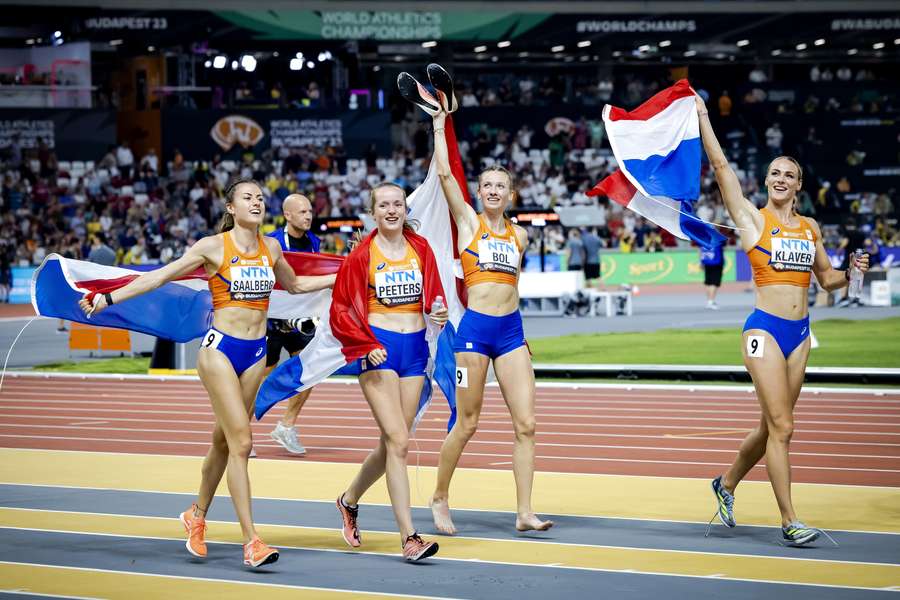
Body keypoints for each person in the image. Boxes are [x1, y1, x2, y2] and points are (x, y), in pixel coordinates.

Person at [79, 178, 336, 566]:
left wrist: (343, 275)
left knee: (223, 442)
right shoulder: (212, 246)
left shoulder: (271, 247)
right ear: (231, 208)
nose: (256, 202)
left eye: (260, 198)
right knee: (243, 443)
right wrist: (109, 297)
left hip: (255, 354)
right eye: (247, 198)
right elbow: (160, 276)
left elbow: (296, 285)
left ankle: (196, 516)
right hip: (219, 352)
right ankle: (252, 541)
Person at [696, 95, 869, 546]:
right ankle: (790, 520)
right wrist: (703, 117)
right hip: (764, 331)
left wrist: (853, 275)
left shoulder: (810, 227)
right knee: (784, 427)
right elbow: (721, 169)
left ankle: (726, 483)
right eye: (774, 173)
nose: (779, 179)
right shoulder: (752, 220)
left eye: (787, 175)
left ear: (798, 186)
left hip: (801, 333)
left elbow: (828, 279)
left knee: (773, 424)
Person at [427, 72, 552, 535]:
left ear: (511, 194)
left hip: (512, 332)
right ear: (480, 192)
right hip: (476, 331)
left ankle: (523, 512)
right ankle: (440, 496)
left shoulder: (519, 235)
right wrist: (441, 125)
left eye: (501, 186)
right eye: (487, 185)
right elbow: (444, 174)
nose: (494, 191)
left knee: (528, 423)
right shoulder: (467, 223)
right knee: (468, 422)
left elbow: (512, 288)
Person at [332, 182, 447, 561]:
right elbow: (341, 310)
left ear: (404, 209)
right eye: (384, 205)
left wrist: (438, 309)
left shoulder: (421, 248)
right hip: (378, 352)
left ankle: (348, 500)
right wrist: (365, 345)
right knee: (398, 441)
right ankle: (409, 537)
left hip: (414, 352)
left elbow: (434, 295)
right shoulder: (361, 256)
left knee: (392, 443)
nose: (392, 210)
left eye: (398, 203)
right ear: (374, 212)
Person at [264, 194, 321, 455]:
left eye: (310, 211)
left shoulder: (314, 241)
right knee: (256, 381)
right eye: (302, 212)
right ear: (287, 215)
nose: (308, 216)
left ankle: (286, 426)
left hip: (298, 320)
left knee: (309, 371)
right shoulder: (272, 241)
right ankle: (237, 432)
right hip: (270, 319)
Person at [701, 241, 725, 310]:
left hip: (707, 261)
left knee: (708, 282)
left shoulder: (704, 239)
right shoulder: (718, 239)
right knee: (714, 283)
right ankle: (711, 301)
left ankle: (709, 300)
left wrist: (701, 261)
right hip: (716, 263)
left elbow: (700, 250)